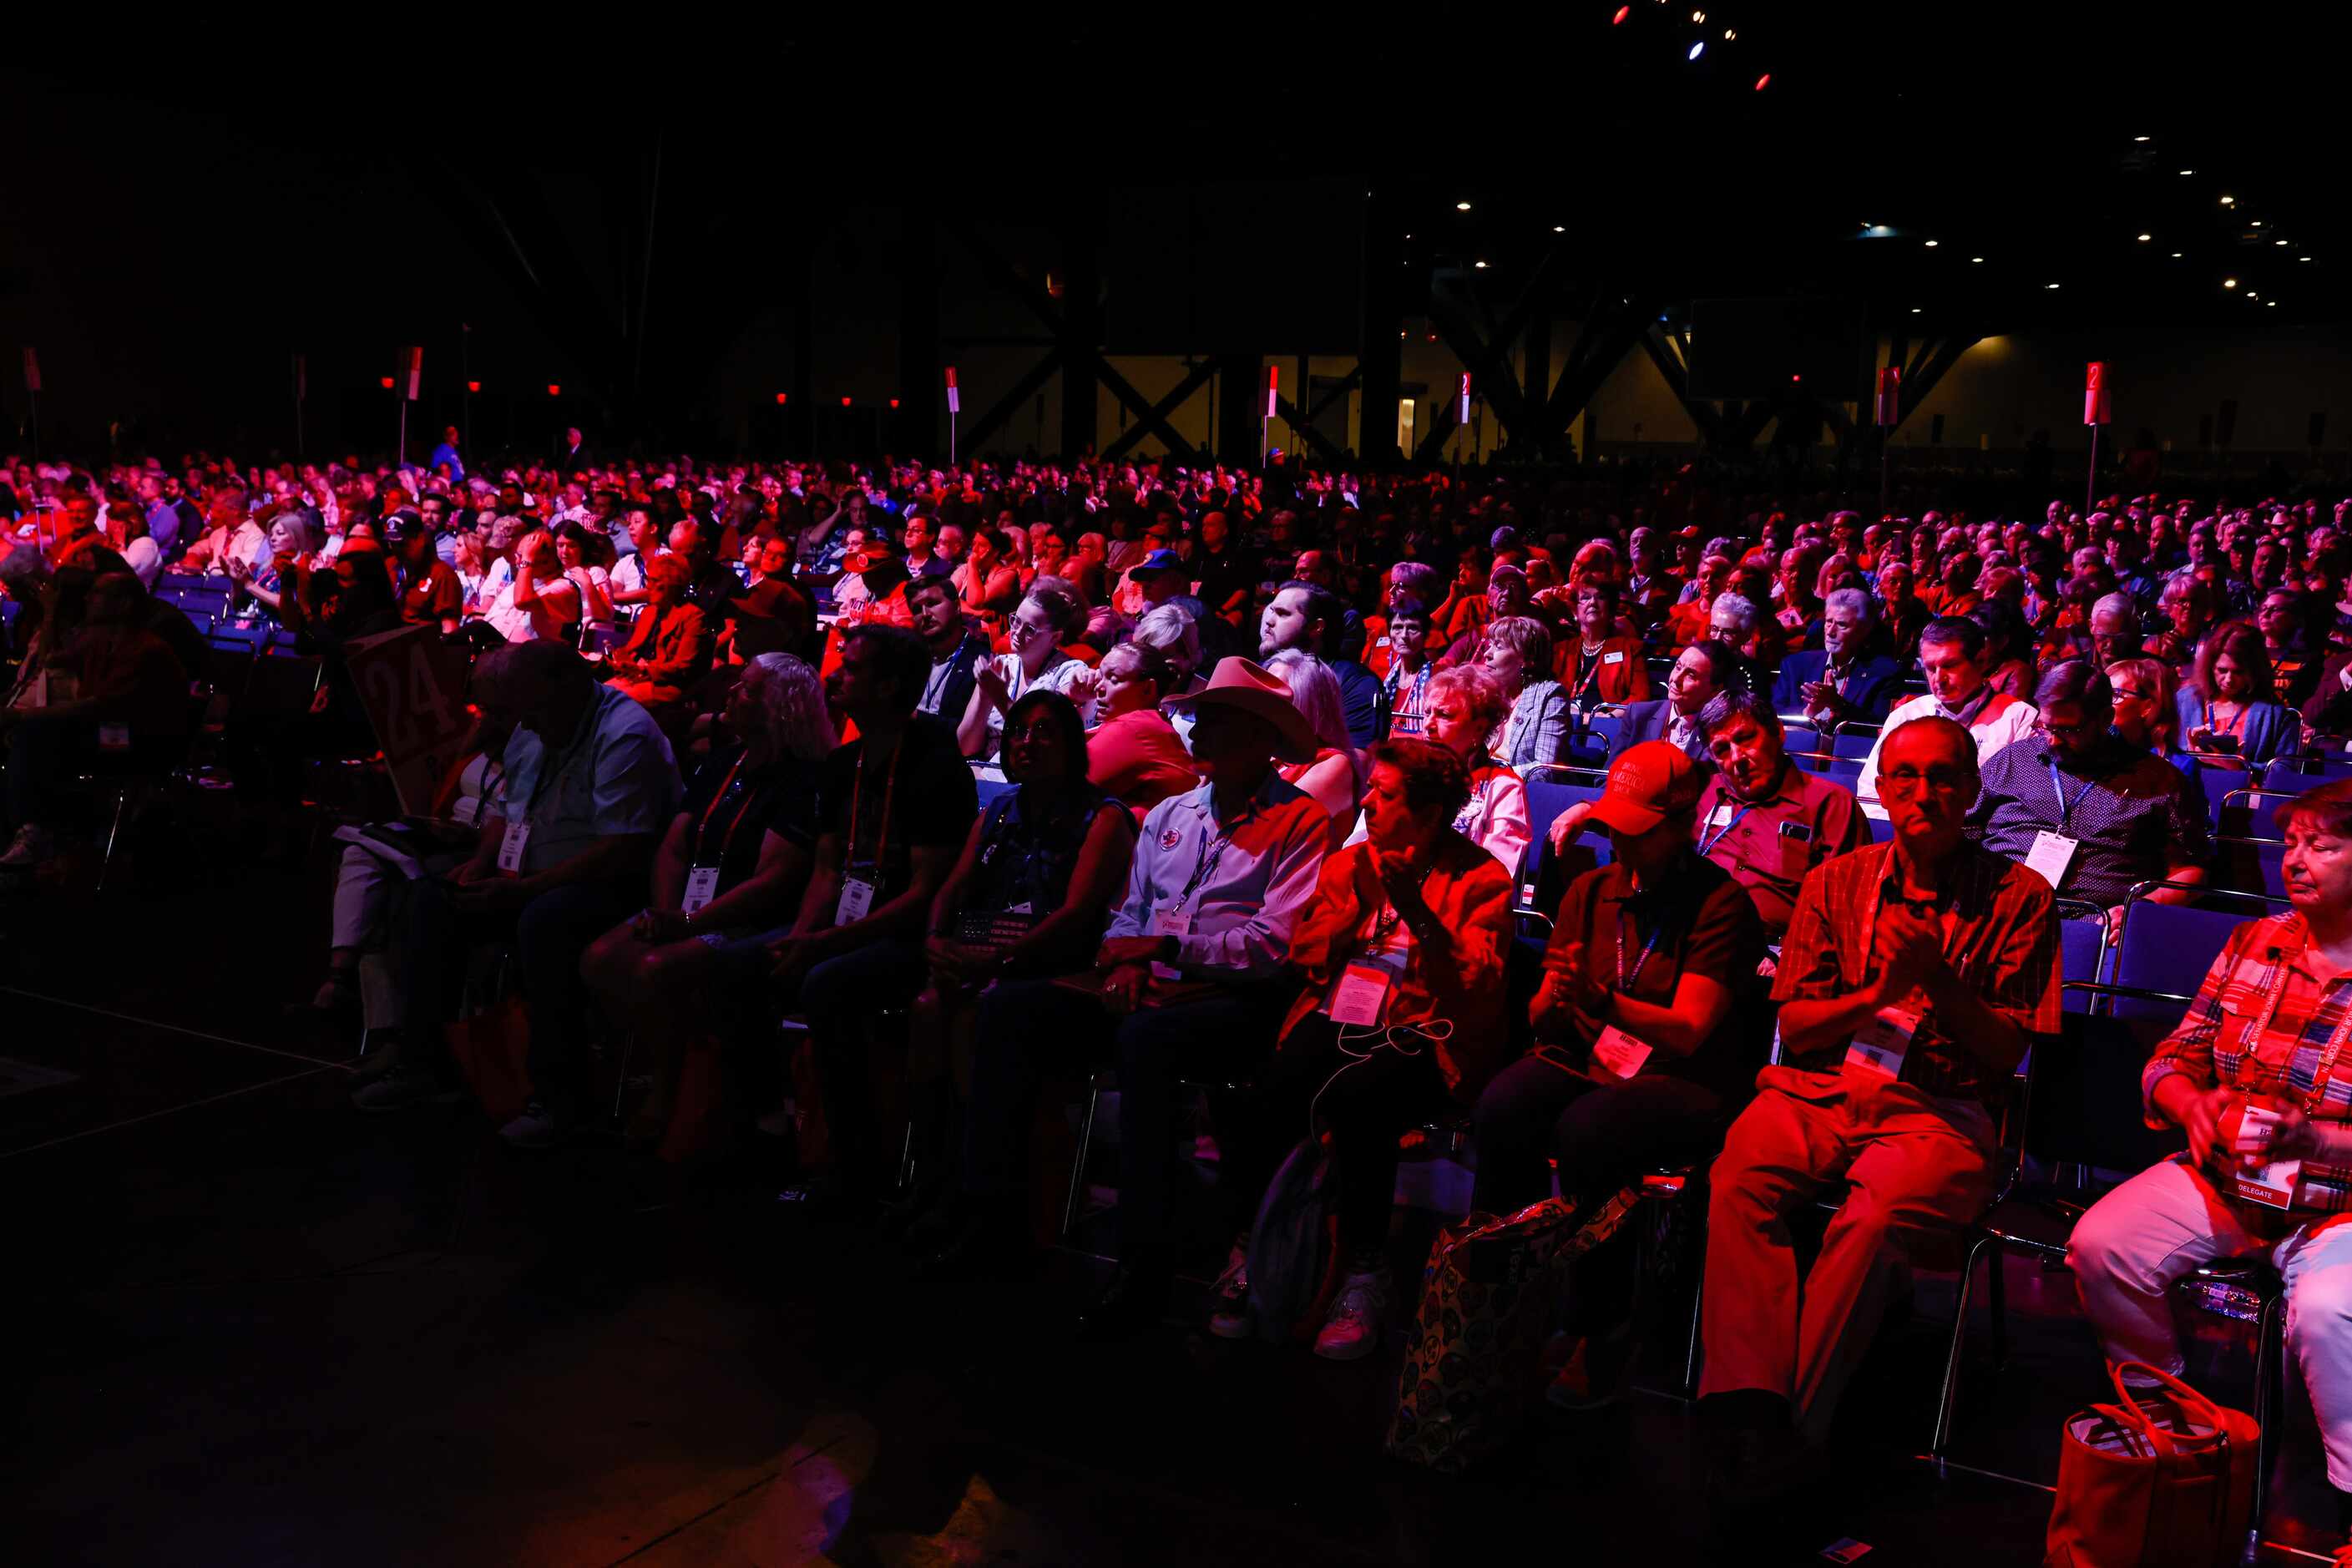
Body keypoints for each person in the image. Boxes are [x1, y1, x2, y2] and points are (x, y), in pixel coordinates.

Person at [1697, 716, 2061, 1493]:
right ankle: (1747, 1404)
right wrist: (1879, 993)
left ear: (1969, 791)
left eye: (1940, 778)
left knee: (1867, 1224)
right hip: (1823, 1089)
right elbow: (1794, 1021)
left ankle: (1794, 1433)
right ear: (1884, 789)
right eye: (1904, 777)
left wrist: (1936, 981)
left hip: (1942, 1109)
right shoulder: (1837, 881)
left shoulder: (2021, 897)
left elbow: (2006, 1052)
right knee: (1739, 1176)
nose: (1921, 793)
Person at [958, 656, 1331, 1337]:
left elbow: (1273, 945)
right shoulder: (1170, 811)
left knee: (1145, 1043)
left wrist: (1165, 950)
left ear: (1253, 736)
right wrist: (1128, 961)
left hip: (1234, 1000)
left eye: (1212, 720)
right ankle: (993, 1215)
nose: (1195, 730)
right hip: (1147, 984)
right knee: (1011, 1008)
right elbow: (1130, 914)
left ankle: (1144, 1261)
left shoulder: (1299, 822)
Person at [2066, 776, 2352, 1552]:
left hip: (2338, 1205)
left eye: (2321, 846)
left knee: (2330, 1310)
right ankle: (2180, 1429)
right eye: (2290, 843)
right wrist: (2191, 1105)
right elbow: (2173, 1055)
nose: (2295, 861)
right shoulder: (2253, 940)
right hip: (2226, 1176)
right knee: (2102, 1243)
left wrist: (2318, 1142)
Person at [1474, 741, 1768, 1404]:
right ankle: (1498, 1289)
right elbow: (1545, 1014)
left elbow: (1690, 1030)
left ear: (1681, 825)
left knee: (1589, 1132)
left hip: (1684, 1080)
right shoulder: (1591, 887)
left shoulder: (1718, 903)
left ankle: (1597, 1324)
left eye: (1639, 831)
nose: (1621, 842)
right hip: (1592, 1056)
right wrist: (1553, 998)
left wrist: (1601, 1000)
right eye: (1615, 825)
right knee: (1503, 1107)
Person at [1222, 739, 1515, 1357]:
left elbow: (1477, 989)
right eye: (1371, 791)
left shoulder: (1481, 878)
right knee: (1272, 1090)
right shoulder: (1350, 863)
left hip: (1426, 1031)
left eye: (1385, 795)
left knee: (1360, 1101)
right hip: (1340, 1011)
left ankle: (1363, 1273)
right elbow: (1305, 955)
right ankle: (1254, 1246)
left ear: (1430, 814)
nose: (1370, 805)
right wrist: (1360, 909)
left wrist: (1416, 911)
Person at [352, 641, 681, 1146]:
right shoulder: (533, 726)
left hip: (610, 886)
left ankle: (557, 1098)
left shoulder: (625, 734)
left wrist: (525, 889)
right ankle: (425, 1064)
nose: (523, 725)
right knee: (431, 897)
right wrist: (482, 865)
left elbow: (624, 850)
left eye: (530, 710)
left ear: (568, 688)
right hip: (528, 875)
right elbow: (508, 814)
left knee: (547, 921)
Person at [905, 690, 1139, 1272]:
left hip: (1059, 972)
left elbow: (1076, 916)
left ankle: (985, 1205)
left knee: (982, 1014)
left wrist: (993, 964)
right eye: (1016, 732)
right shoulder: (1000, 807)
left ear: (1071, 746)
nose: (1025, 743)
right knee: (930, 1008)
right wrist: (936, 939)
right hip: (989, 958)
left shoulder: (1103, 815)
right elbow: (953, 888)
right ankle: (934, 1181)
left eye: (1042, 733)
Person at [576, 653, 836, 1150]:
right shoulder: (722, 761)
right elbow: (675, 846)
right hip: (690, 912)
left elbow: (774, 880)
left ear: (781, 707)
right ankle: (668, 1067)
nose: (734, 693)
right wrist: (665, 912)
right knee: (599, 957)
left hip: (752, 918)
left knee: (655, 969)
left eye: (750, 689)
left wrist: (689, 921)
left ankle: (670, 1094)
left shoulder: (805, 778)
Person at [767, 625, 978, 1204]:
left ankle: (855, 1166)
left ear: (888, 687)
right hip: (847, 929)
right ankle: (766, 1133)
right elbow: (828, 870)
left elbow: (923, 893)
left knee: (828, 983)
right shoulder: (842, 764)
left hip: (912, 934)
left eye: (852, 669)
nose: (834, 675)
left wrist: (821, 946)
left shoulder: (933, 764)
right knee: (758, 966)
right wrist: (802, 935)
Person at [1969, 662, 2208, 933]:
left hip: (2094, 927)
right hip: (1995, 912)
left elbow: (2191, 872)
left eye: (2069, 730)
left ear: (2105, 719)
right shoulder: (2012, 760)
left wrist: (2141, 908)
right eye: (2046, 727)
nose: (2053, 741)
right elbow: (1963, 831)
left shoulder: (2158, 781)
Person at [0, 570, 191, 873]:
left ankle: (40, 832)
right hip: (108, 733)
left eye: (98, 593)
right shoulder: (100, 641)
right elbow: (50, 660)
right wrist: (50, 613)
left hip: (139, 744)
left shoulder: (145, 650)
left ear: (124, 604)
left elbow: (97, 708)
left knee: (35, 734)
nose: (88, 598)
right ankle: (37, 828)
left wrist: (22, 715)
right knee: (28, 736)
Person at [1689, 691, 1866, 940]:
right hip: (1696, 938)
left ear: (1779, 733)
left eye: (1746, 738)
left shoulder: (1831, 804)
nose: (1737, 758)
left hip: (1782, 950)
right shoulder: (1700, 794)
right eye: (1722, 749)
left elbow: (1843, 910)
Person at [1348, 664, 1531, 873]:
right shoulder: (1396, 772)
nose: (1428, 724)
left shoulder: (1502, 788)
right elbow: (1358, 844)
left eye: (1444, 715)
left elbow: (1499, 870)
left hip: (1458, 897)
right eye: (1427, 713)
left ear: (1479, 728)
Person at [1854, 615, 2039, 809]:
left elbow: (2022, 801)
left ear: (1981, 661)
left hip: (1983, 835)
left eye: (1950, 666)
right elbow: (1871, 791)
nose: (1938, 679)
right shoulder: (1907, 715)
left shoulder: (2020, 719)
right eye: (1931, 668)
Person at [957, 577, 1096, 761]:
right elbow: (965, 747)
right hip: (987, 771)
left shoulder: (1069, 673)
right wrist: (984, 695)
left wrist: (998, 695)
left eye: (1030, 629)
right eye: (1016, 621)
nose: (1017, 633)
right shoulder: (1002, 664)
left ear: (1055, 638)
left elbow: (1040, 742)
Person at [1260, 579, 1383, 746]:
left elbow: (1358, 761)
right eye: (1272, 611)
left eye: (1282, 614)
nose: (1269, 621)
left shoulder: (1355, 682)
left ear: (1315, 627)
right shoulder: (1262, 669)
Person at [1084, 641, 1198, 818]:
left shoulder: (1137, 728)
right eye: (1100, 676)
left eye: (1113, 679)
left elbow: (1064, 784)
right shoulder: (1149, 725)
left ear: (1147, 689)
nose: (1099, 687)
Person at [2179, 619, 2301, 771]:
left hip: (2242, 793)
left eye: (2238, 672)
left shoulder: (2277, 715)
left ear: (2256, 671)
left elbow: (2285, 770)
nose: (2229, 680)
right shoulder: (2185, 700)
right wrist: (2187, 755)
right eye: (2222, 670)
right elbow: (2161, 753)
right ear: (2210, 667)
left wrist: (2240, 767)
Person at [1772, 588, 1901, 731]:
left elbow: (1881, 727)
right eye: (1828, 622)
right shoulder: (1795, 665)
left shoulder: (1884, 673)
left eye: (1842, 625)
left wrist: (1838, 704)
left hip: (1850, 750)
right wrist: (1807, 713)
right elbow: (1773, 715)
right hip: (1798, 748)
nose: (1831, 632)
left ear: (1863, 630)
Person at [602, 555, 712, 721]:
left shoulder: (693, 616)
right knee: (598, 695)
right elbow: (633, 650)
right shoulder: (649, 612)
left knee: (611, 701)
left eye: (654, 580)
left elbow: (684, 667)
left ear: (672, 586)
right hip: (638, 678)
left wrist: (645, 670)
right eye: (648, 579)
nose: (648, 585)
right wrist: (618, 657)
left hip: (665, 686)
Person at [1266, 650, 1363, 833]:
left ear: (1306, 703)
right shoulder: (1266, 751)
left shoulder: (1333, 763)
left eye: (1273, 694)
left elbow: (1272, 828)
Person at [1481, 615, 1568, 771]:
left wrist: (1495, 779)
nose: (1487, 653)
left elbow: (1545, 768)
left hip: (1522, 789)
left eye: (1499, 646)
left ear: (1526, 658)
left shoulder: (1550, 695)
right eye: (1490, 645)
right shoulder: (1484, 693)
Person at [1555, 580, 1650, 711]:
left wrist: (1608, 717)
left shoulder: (1631, 648)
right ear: (1575, 611)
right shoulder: (1561, 650)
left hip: (1604, 725)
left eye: (1601, 597)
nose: (1593, 602)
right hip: (1562, 721)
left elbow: (1641, 696)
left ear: (1611, 610)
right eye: (1586, 597)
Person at [907, 573, 988, 724]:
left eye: (932, 604)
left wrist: (916, 718)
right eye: (917, 610)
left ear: (957, 607)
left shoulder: (981, 661)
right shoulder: (911, 660)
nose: (925, 614)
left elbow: (974, 731)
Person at [1377, 597, 1438, 740]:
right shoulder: (1383, 679)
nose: (1404, 636)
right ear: (1389, 633)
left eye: (1413, 628)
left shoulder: (1435, 678)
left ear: (1425, 635)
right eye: (1397, 627)